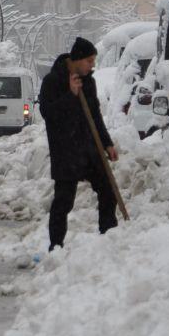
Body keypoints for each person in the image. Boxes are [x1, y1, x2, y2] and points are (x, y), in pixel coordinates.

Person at [38, 36, 118, 249]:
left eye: (93, 61)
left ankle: (109, 237)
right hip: (66, 151)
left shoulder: (88, 81)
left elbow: (95, 115)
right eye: (89, 61)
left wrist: (107, 143)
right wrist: (71, 95)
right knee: (64, 201)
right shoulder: (53, 81)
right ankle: (56, 245)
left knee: (108, 191)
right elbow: (48, 113)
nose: (92, 66)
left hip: (90, 149)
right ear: (77, 59)